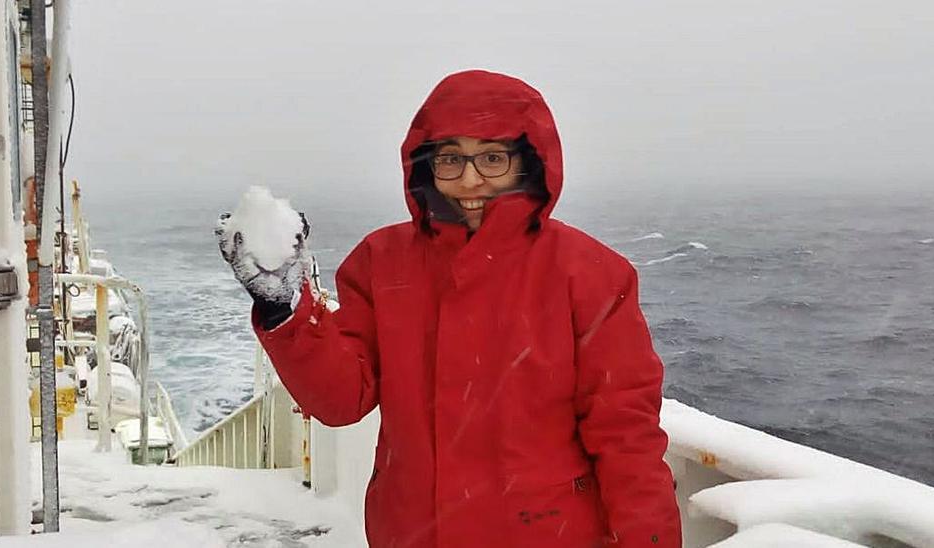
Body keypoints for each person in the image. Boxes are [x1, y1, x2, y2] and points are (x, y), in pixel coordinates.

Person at [219, 69, 680, 548]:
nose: (470, 178)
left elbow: (627, 436)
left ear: (529, 161)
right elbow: (340, 400)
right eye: (451, 159)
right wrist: (285, 311)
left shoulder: (591, 275)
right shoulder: (381, 262)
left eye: (493, 157)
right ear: (426, 164)